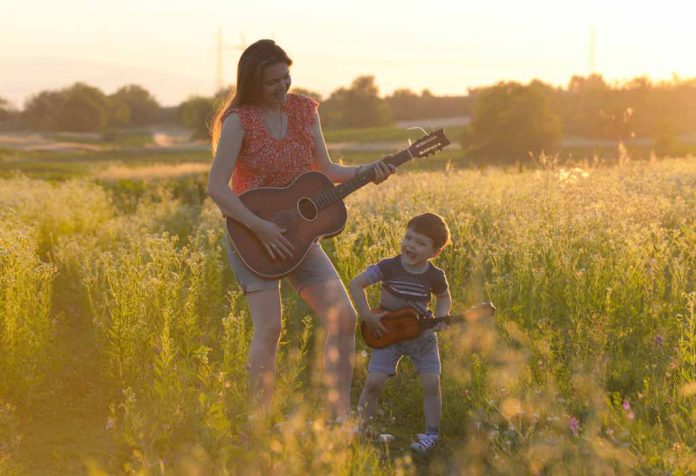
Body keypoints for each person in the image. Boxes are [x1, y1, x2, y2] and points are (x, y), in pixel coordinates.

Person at [207, 39, 395, 420]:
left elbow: (324, 168)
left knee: (342, 315)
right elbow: (216, 187)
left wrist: (366, 171)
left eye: (286, 76)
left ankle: (337, 418)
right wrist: (261, 228)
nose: (283, 86)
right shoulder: (239, 120)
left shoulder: (305, 110)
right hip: (253, 236)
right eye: (272, 81)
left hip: (300, 237)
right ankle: (257, 425)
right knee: (270, 328)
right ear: (252, 82)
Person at [350, 212, 452, 453]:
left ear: (434, 252)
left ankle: (431, 435)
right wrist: (365, 314)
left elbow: (444, 297)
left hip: (423, 338)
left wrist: (441, 318)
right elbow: (356, 283)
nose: (411, 246)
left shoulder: (435, 275)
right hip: (387, 334)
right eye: (409, 238)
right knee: (373, 383)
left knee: (431, 384)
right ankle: (360, 429)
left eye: (420, 243)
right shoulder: (389, 266)